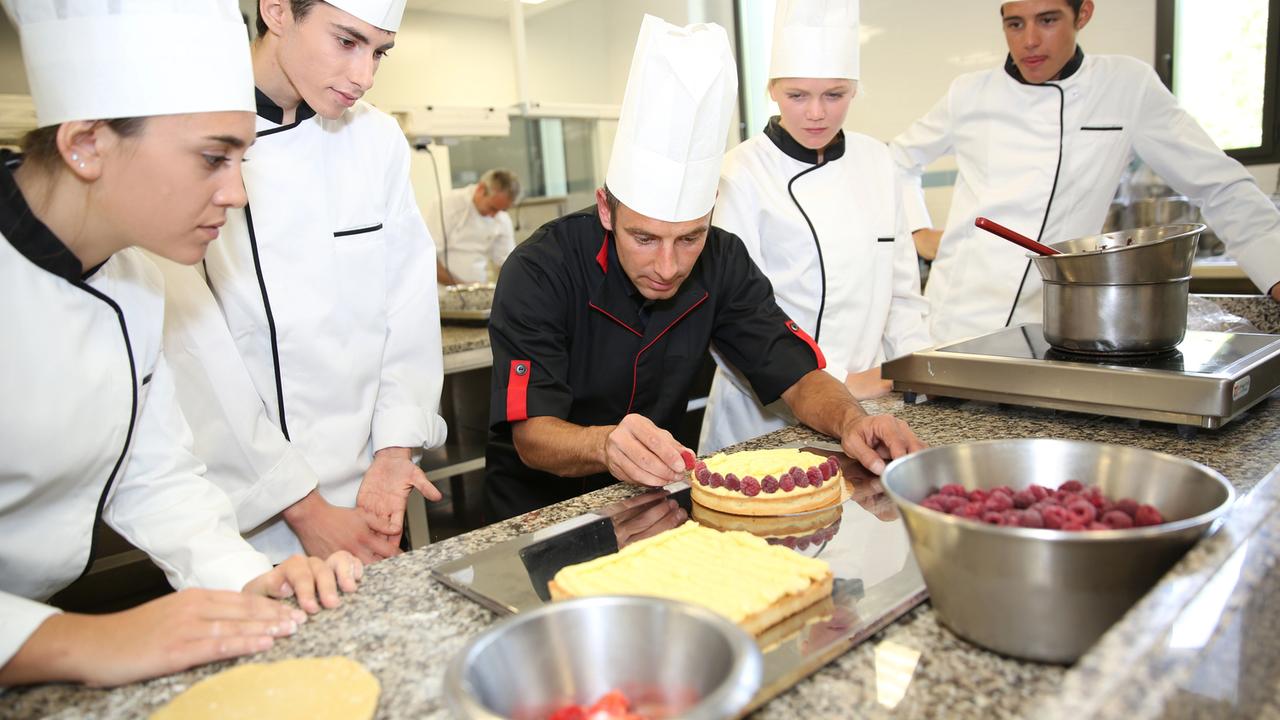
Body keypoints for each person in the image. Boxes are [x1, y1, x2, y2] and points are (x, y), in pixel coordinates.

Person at [0, 0, 360, 688]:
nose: (237, 194)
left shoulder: (134, 276)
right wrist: (79, 641)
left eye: (242, 159)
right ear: (85, 144)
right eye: (213, 159)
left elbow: (153, 472)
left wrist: (245, 579)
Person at [483, 14, 924, 522]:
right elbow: (532, 434)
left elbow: (796, 375)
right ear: (606, 210)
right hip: (539, 515)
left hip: (650, 502)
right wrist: (604, 444)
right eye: (644, 238)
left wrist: (852, 421)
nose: (668, 266)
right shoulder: (541, 269)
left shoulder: (722, 259)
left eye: (690, 237)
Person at [154, 0, 448, 565]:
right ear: (277, 11)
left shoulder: (377, 139)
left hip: (371, 491)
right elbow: (194, 355)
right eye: (346, 41)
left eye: (379, 52)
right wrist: (304, 509)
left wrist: (395, 450)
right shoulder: (190, 140)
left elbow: (408, 307)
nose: (364, 75)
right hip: (247, 507)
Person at [890, 0, 1280, 344]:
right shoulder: (969, 92)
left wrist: (1276, 272)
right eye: (1015, 24)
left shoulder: (1125, 86)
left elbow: (1219, 186)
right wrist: (918, 231)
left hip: (1051, 322)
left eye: (1047, 20)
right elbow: (897, 160)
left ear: (1083, 14)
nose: (1029, 41)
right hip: (955, 319)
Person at [699, 0, 932, 454]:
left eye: (834, 95)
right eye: (797, 96)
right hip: (763, 419)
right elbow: (732, 320)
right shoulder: (740, 173)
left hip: (876, 405)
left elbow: (903, 294)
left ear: (855, 90)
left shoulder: (878, 161)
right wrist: (841, 382)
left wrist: (919, 371)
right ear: (771, 89)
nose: (816, 113)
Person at [433, 168, 520, 285]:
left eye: (501, 210)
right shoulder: (446, 205)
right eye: (492, 208)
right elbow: (429, 257)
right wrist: (462, 287)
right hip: (444, 290)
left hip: (479, 288)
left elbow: (505, 264)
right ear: (481, 189)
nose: (493, 215)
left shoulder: (502, 219)